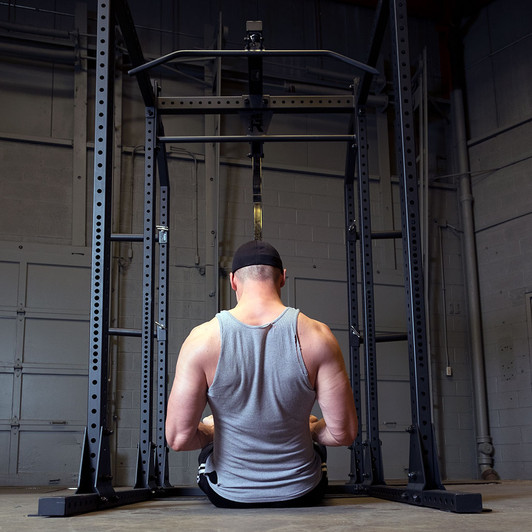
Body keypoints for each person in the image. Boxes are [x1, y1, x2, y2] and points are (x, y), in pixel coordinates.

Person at [166, 240, 358, 508]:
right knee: (315, 439)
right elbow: (343, 434)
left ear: (233, 281)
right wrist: (308, 428)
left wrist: (215, 430)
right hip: (302, 493)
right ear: (282, 278)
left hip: (229, 496)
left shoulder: (201, 340)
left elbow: (178, 439)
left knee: (208, 452)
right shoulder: (319, 336)